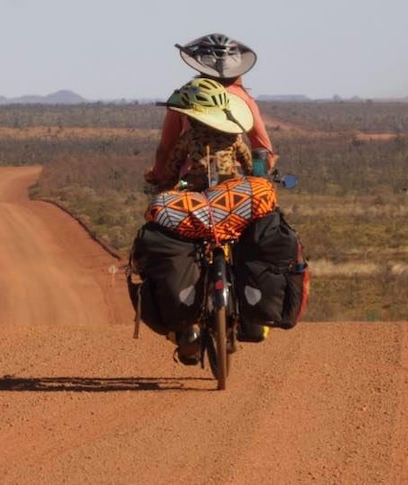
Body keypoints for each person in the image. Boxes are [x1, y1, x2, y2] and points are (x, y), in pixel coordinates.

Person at [143, 78, 255, 365]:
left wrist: (164, 184)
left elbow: (171, 166)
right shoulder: (233, 137)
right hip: (230, 197)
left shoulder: (189, 138)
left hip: (194, 197)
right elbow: (249, 163)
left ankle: (187, 326)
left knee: (185, 241)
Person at [146, 33, 278, 186]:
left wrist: (158, 176)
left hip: (189, 183)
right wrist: (258, 178)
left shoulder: (185, 96)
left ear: (200, 63)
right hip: (232, 182)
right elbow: (262, 148)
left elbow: (166, 147)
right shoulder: (244, 100)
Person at [148, 77, 253, 193]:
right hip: (229, 180)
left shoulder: (190, 136)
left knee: (179, 187)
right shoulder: (233, 138)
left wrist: (167, 183)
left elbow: (175, 161)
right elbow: (246, 159)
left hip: (195, 182)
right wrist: (252, 176)